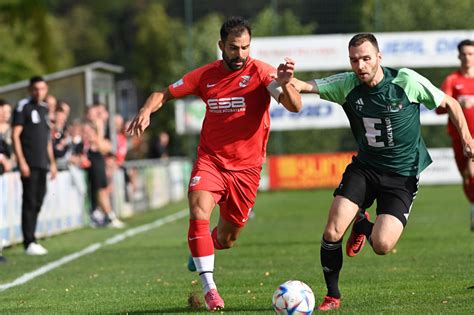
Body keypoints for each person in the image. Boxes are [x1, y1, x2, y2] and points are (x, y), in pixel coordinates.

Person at [127, 16, 301, 312]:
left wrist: (285, 85)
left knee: (227, 237)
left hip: (246, 170)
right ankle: (210, 289)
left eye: (245, 47)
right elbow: (164, 94)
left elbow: (294, 106)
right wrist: (146, 110)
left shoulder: (262, 73)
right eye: (234, 48)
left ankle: (202, 248)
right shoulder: (206, 75)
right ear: (221, 46)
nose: (240, 54)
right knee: (198, 208)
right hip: (211, 161)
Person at [291, 33, 474, 311]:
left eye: (366, 58)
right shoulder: (347, 84)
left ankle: (362, 224)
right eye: (354, 60)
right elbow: (303, 86)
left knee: (382, 244)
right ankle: (332, 295)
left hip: (402, 176)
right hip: (365, 169)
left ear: (379, 57)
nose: (360, 65)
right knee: (332, 231)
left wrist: (467, 139)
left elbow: (450, 103)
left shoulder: (405, 81)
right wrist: (283, 78)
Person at [12, 76, 57, 256]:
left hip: (42, 163)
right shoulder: (23, 107)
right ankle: (28, 241)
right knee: (29, 201)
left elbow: (46, 140)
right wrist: (21, 161)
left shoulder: (45, 109)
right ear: (30, 90)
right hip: (29, 163)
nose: (39, 92)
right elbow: (16, 135)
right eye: (36, 89)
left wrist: (52, 163)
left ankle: (32, 238)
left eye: (42, 89)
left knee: (39, 199)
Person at [436, 39, 474, 230]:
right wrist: (459, 103)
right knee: (467, 176)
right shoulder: (452, 80)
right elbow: (439, 108)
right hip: (460, 138)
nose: (467, 57)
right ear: (459, 56)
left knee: (473, 172)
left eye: (471, 53)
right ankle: (473, 205)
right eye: (464, 54)